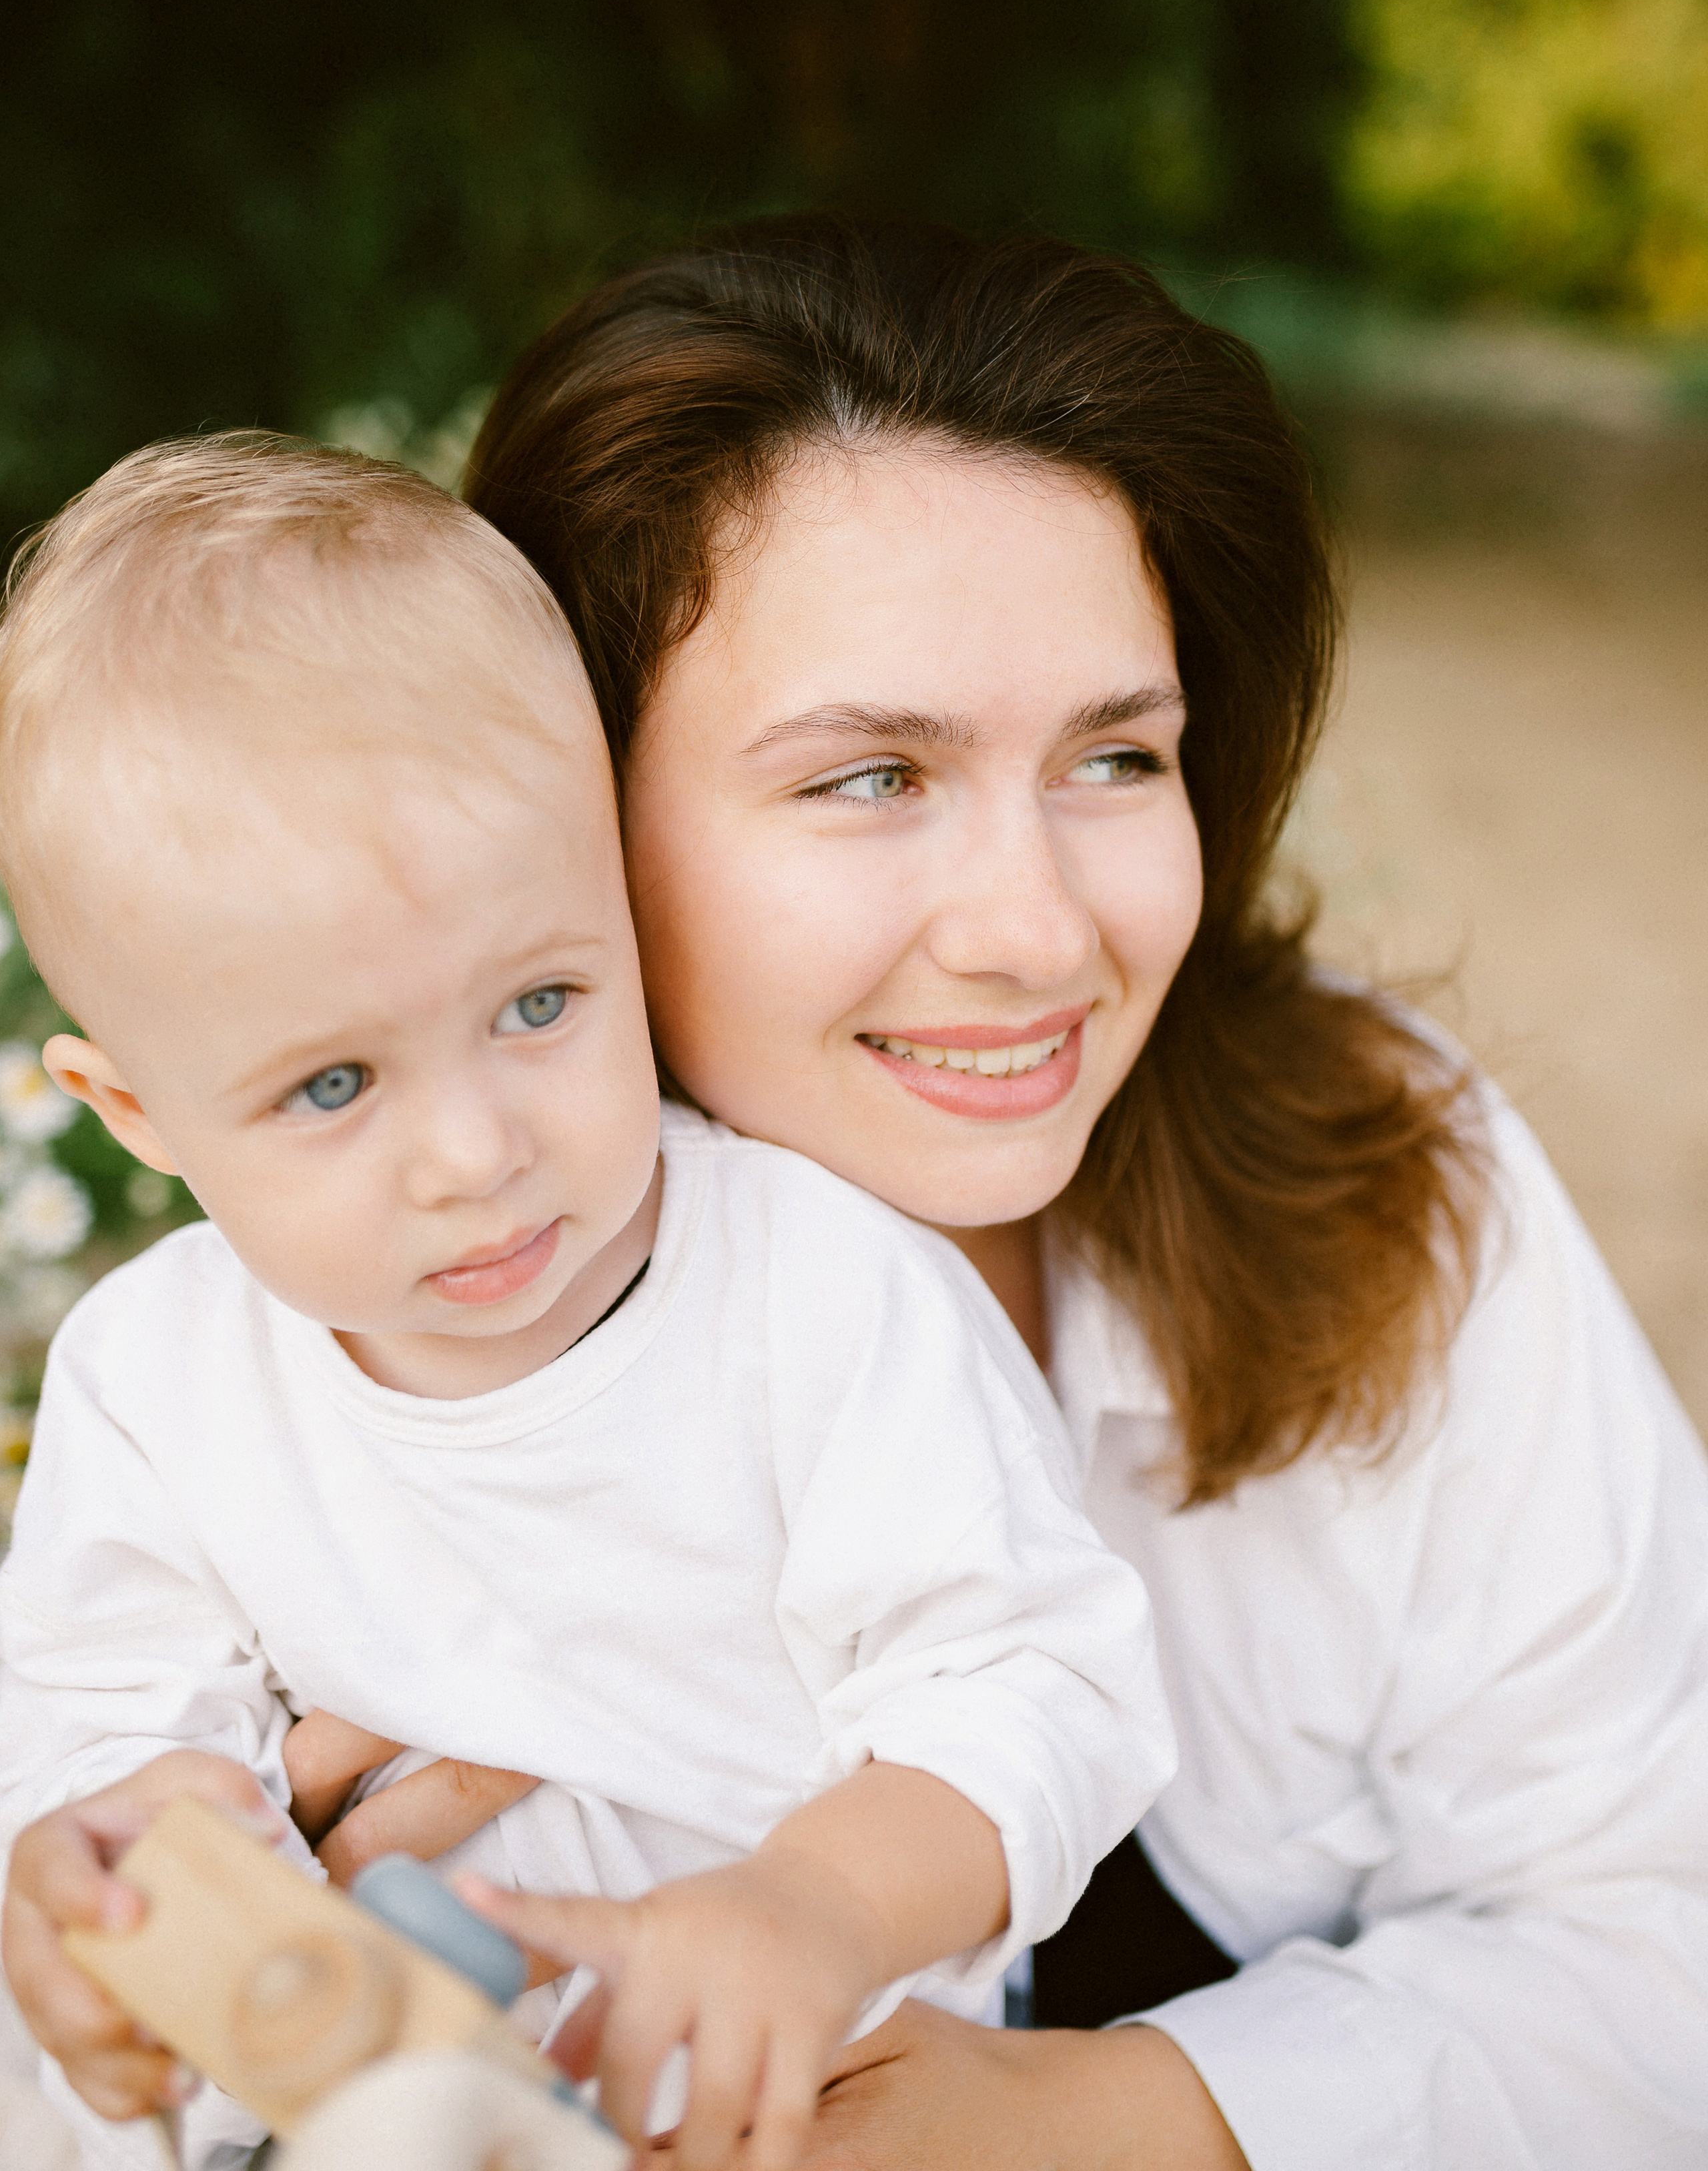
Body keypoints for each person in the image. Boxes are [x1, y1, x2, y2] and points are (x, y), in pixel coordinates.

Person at [10, 217, 1708, 2169]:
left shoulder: (1379, 1166)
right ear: (579, 788)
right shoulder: (273, 1349)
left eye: (1118, 755)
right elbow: (85, 1813)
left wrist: (1099, 2119)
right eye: (870, 777)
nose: (1031, 928)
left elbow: (1667, 1940)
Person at [0, 436, 1174, 2171]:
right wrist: (101, 1845)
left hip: (777, 2115)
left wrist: (816, 1906)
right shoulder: (156, 1383)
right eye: (333, 1088)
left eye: (541, 1003)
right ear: (139, 1120)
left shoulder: (817, 1297)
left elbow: (1036, 1683)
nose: (477, 1152)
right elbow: (96, 1722)